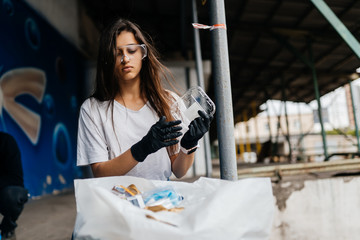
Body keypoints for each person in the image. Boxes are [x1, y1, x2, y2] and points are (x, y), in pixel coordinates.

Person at [76, 18, 212, 180]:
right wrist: (143, 147)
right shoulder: (92, 108)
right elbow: (100, 173)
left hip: (160, 201)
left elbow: (179, 171)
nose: (125, 58)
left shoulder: (169, 101)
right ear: (107, 59)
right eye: (117, 52)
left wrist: (189, 145)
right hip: (117, 202)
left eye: (131, 50)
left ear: (143, 53)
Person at [0, 132, 28, 239]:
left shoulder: (6, 141)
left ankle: (7, 229)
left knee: (14, 195)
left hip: (3, 191)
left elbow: (15, 179)